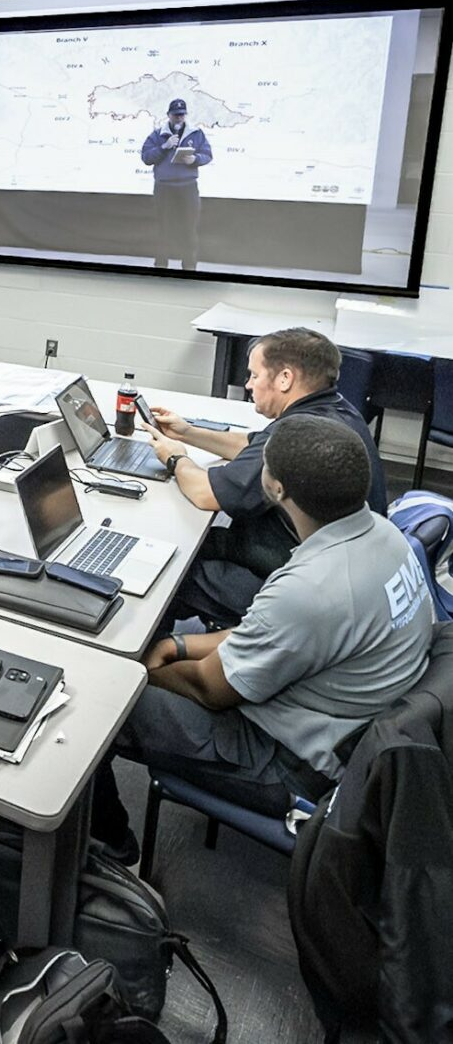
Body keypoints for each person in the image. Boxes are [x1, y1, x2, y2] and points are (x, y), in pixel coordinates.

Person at [93, 415, 433, 862]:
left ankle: (106, 842)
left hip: (290, 764)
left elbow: (208, 689)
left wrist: (129, 666)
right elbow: (274, 633)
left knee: (95, 696)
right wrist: (178, 646)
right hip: (347, 727)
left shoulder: (311, 588)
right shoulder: (382, 536)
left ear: (276, 488)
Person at [145, 326, 386, 625]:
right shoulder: (333, 412)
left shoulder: (299, 433)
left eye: (254, 376)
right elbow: (256, 445)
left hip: (294, 583)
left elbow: (204, 493)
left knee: (172, 568)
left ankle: (154, 659)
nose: (248, 385)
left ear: (285, 378)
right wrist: (189, 433)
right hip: (340, 572)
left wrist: (175, 457)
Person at [139, 98, 213, 272]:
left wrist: (195, 159)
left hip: (187, 187)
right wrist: (164, 146)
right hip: (165, 188)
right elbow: (146, 158)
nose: (179, 118)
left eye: (182, 114)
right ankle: (161, 266)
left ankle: (189, 267)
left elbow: (207, 155)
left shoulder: (196, 133)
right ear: (168, 115)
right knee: (164, 227)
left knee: (189, 227)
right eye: (175, 115)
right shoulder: (157, 135)